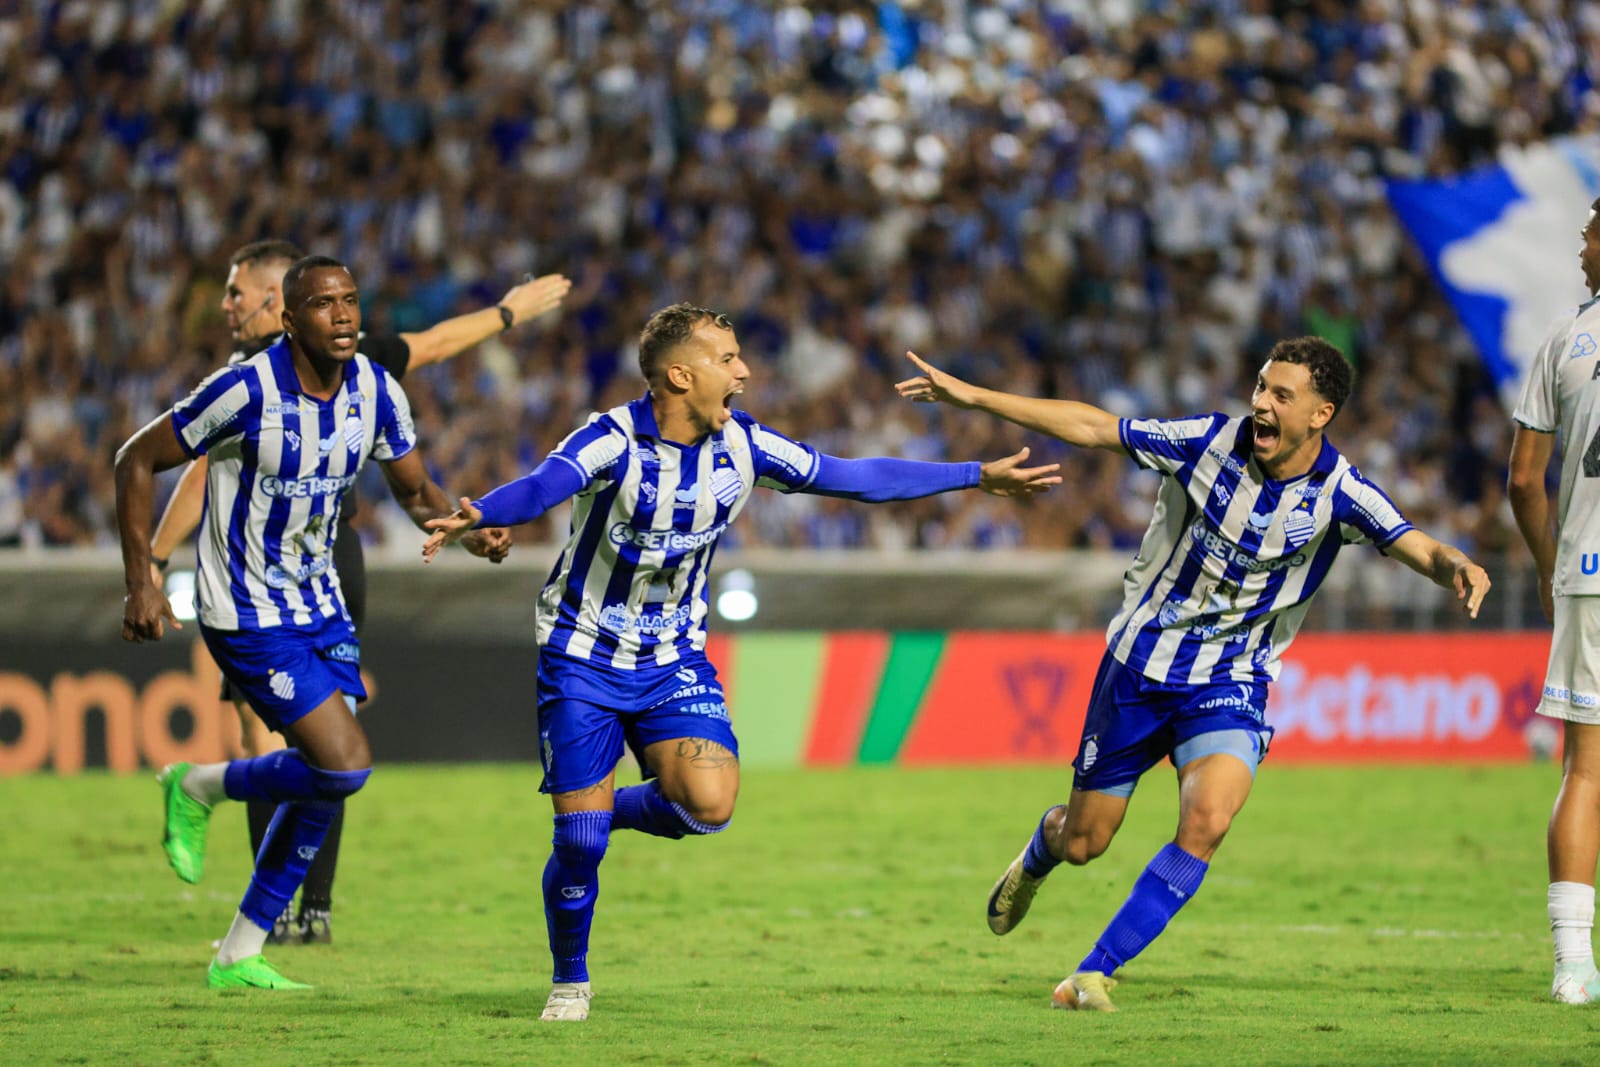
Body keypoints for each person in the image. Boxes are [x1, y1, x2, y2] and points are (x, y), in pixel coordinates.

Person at [421, 303, 1062, 1021]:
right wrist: (482, 512)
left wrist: (974, 474)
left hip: (673, 661)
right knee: (579, 844)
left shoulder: (745, 446)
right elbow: (546, 484)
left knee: (710, 804)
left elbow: (852, 476)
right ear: (679, 374)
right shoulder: (611, 439)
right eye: (727, 359)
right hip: (582, 656)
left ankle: (606, 809)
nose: (745, 372)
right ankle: (571, 978)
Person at [896, 337, 1491, 1012]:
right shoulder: (1207, 441)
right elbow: (1094, 427)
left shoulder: (1341, 492)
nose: (1260, 402)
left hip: (1230, 681)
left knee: (1207, 820)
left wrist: (1458, 566)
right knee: (1086, 840)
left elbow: (1416, 542)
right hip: (1139, 669)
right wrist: (970, 394)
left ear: (1321, 414)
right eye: (1261, 386)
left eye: (1280, 395)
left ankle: (1092, 972)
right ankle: (1041, 850)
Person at [147, 239, 570, 946]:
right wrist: (153, 562)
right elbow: (191, 475)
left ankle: (309, 900)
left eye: (235, 293)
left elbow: (431, 346)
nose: (226, 306)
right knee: (284, 736)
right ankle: (271, 906)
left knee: (329, 739)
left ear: (272, 301)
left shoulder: (351, 356)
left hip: (329, 564)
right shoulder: (241, 382)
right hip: (252, 578)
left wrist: (505, 313)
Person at [1508, 197, 1600, 1005]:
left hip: (1590, 572)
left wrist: (1547, 563)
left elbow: (1522, 478)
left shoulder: (1566, 342)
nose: (1582, 246)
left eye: (1592, 232)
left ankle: (1575, 963)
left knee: (1586, 770)